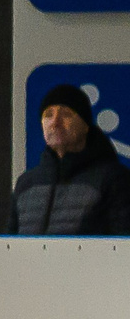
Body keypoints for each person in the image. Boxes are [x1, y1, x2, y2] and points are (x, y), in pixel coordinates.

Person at [10, 84, 130, 236]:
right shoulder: (25, 183)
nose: (55, 122)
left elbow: (122, 247)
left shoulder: (113, 179)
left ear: (86, 125)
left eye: (66, 114)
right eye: (48, 115)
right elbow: (10, 245)